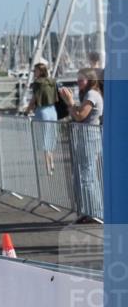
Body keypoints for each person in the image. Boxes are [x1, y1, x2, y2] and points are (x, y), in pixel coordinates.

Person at [60, 68, 104, 222]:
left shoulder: (92, 94)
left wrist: (70, 102)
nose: (78, 82)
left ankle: (95, 212)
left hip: (89, 137)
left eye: (81, 79)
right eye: (77, 79)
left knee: (87, 175)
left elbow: (79, 116)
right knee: (83, 175)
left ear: (90, 80)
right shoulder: (88, 94)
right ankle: (88, 211)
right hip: (86, 137)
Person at [25, 60, 58, 175]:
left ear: (40, 71)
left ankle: (48, 167)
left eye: (35, 71)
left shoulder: (37, 83)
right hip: (53, 111)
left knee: (44, 139)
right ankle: (52, 162)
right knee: (51, 136)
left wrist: (27, 111)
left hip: (42, 111)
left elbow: (34, 99)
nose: (34, 73)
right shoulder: (52, 81)